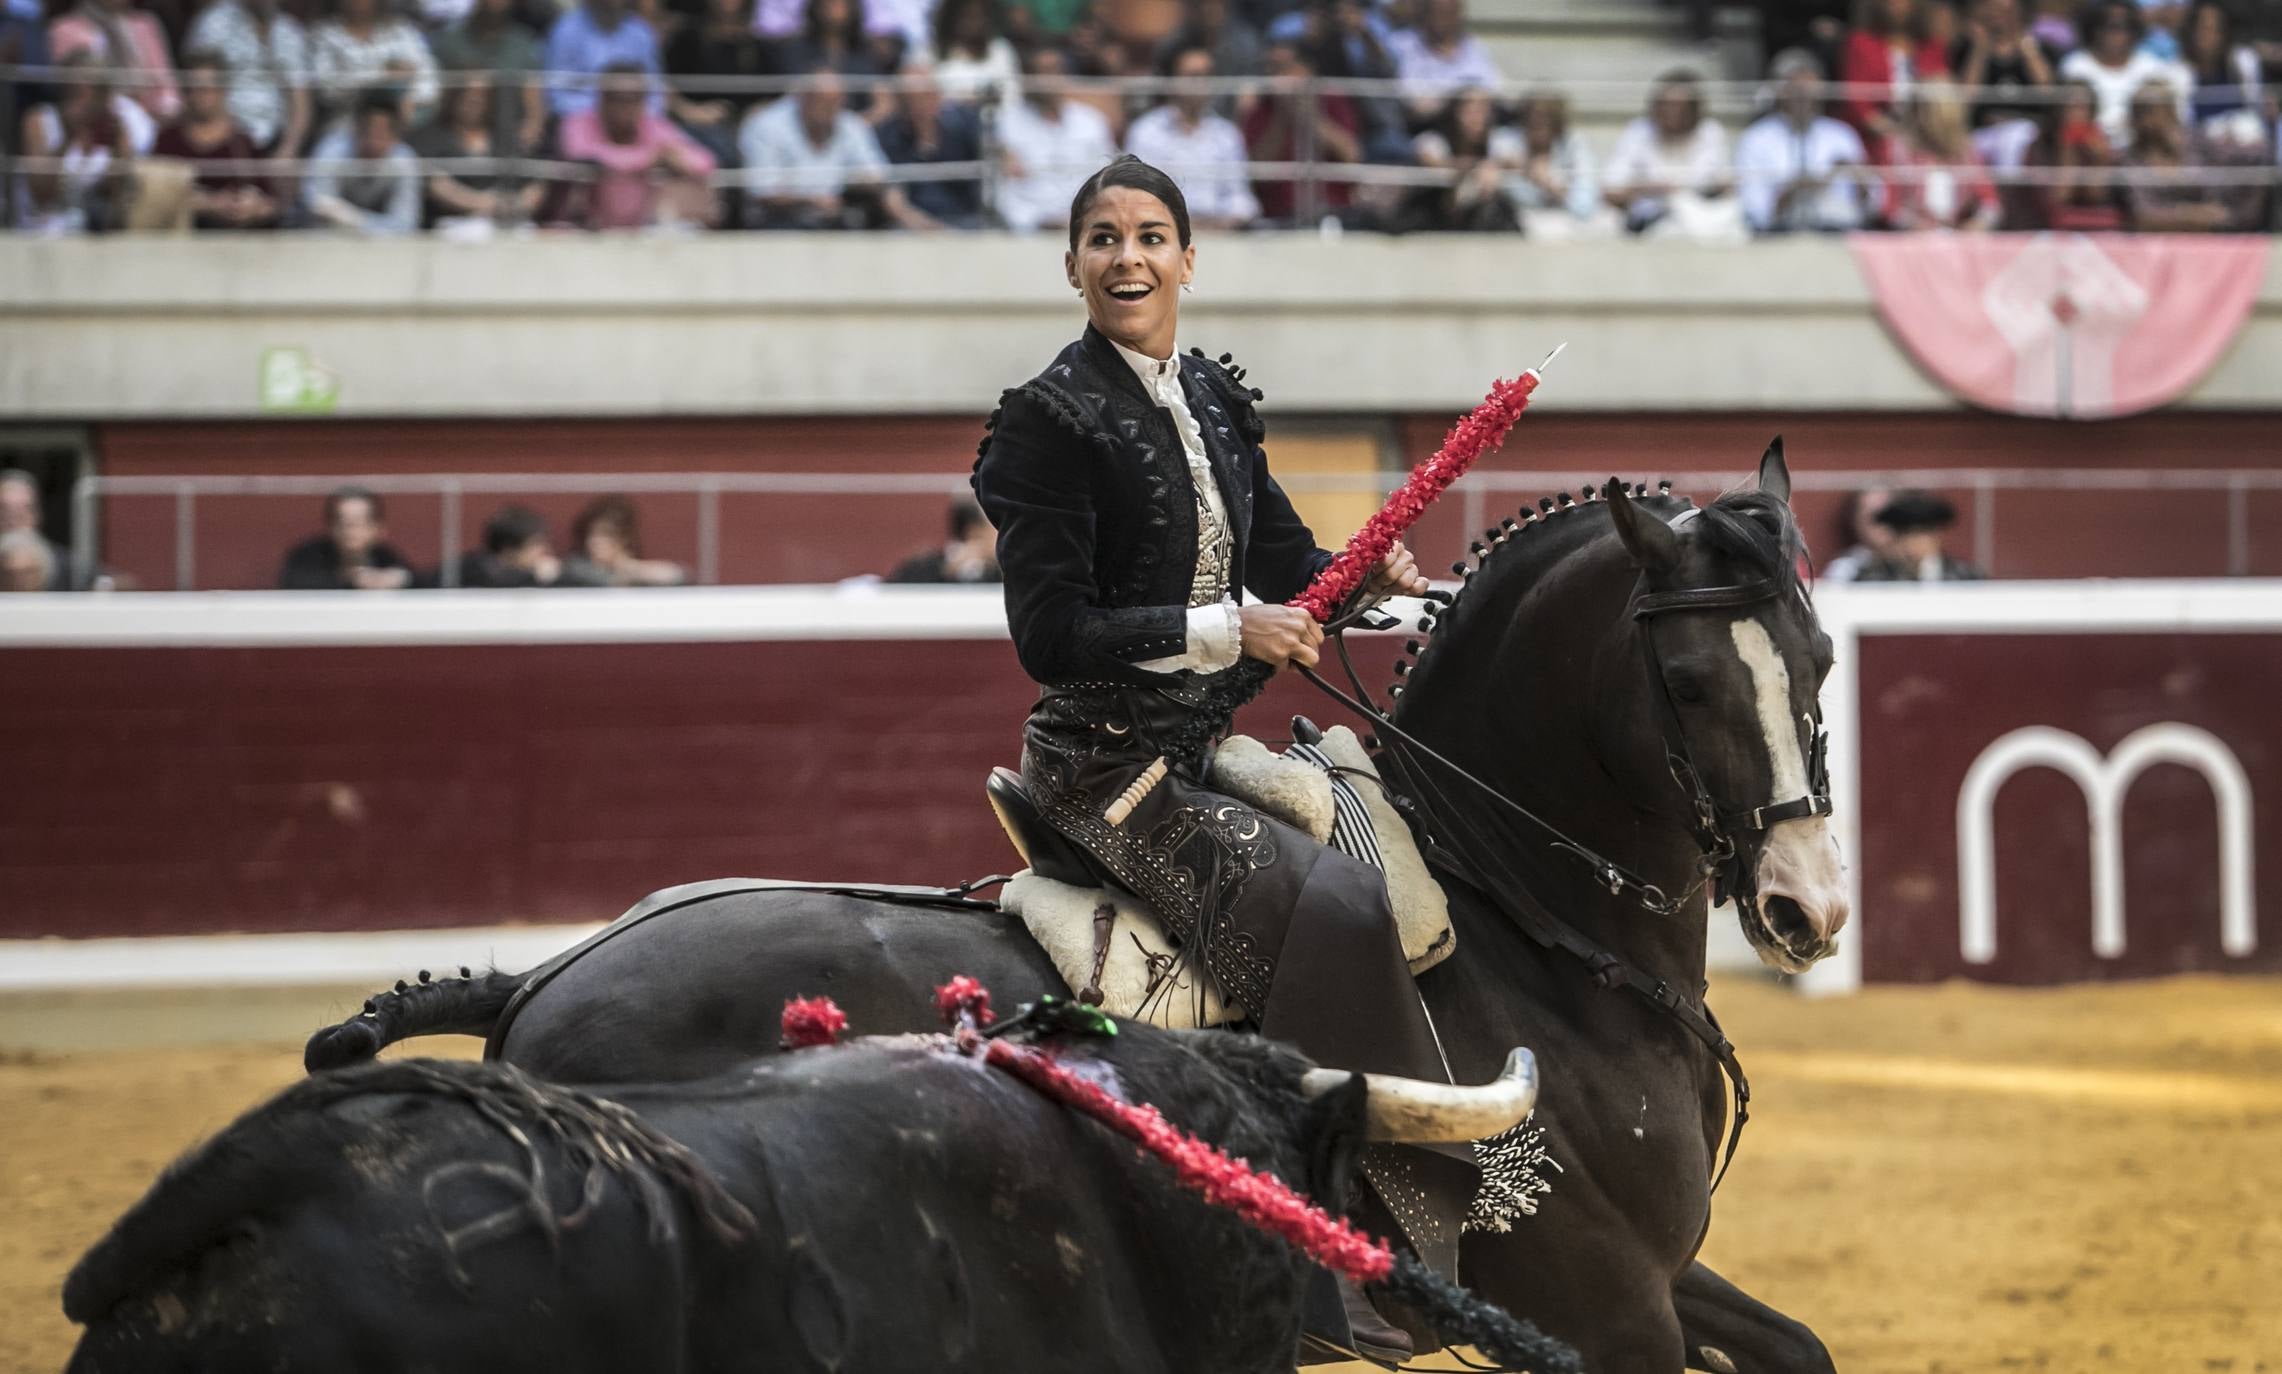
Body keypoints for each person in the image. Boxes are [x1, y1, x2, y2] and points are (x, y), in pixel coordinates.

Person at [969, 154, 1444, 1368]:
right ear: (1069, 263)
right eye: (1100, 238)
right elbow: (1048, 634)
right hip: (1098, 763)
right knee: (1329, 908)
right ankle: (1320, 1258)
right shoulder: (1045, 420)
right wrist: (1230, 628)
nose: (1125, 257)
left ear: (1189, 256)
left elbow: (1286, 561)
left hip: (1194, 742)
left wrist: (1363, 571)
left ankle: (1408, 1212)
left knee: (1374, 849)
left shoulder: (1218, 401)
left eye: (1148, 235)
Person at [738, 61, 935, 227]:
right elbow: (762, 191)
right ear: (802, 98)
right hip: (778, 221)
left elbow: (877, 173)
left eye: (836, 102)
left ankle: (920, 227)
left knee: (885, 199)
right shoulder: (766, 126)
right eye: (823, 102)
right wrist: (809, 200)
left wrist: (864, 182)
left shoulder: (849, 125)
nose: (830, 111)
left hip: (836, 217)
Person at [558, 61, 719, 228]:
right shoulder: (578, 122)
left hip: (643, 226)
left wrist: (675, 159)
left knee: (687, 179)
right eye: (616, 98)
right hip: (585, 227)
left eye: (634, 98)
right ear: (602, 97)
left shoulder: (652, 124)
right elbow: (581, 155)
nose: (625, 106)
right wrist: (647, 158)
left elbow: (705, 162)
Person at [1123, 44, 1260, 230]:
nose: (1201, 83)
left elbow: (1240, 196)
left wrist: (1224, 222)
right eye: (1193, 76)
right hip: (1162, 232)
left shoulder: (1227, 134)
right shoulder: (1146, 131)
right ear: (1171, 81)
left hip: (1221, 233)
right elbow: (1139, 195)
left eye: (1207, 75)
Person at [1735, 47, 1871, 233]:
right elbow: (1754, 210)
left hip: (1839, 236)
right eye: (1794, 87)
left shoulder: (1842, 134)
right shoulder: (1756, 138)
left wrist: (1858, 178)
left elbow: (1871, 206)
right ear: (1779, 90)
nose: (1803, 95)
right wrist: (1792, 192)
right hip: (1777, 238)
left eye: (1809, 86)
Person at [12, 51, 149, 233]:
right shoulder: (39, 120)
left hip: (94, 235)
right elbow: (41, 196)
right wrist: (67, 138)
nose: (86, 98)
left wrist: (118, 148)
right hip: (42, 231)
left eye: (96, 88)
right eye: (77, 89)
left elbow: (120, 201)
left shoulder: (116, 126)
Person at [1602, 67, 1741, 239]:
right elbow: (1611, 190)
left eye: (1679, 107)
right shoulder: (1638, 132)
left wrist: (1698, 192)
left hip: (1702, 218)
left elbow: (1727, 185)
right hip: (1650, 220)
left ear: (1695, 109)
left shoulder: (1711, 133)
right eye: (1664, 106)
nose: (1670, 113)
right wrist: (1649, 189)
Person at [152, 48, 282, 229]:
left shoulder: (243, 142)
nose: (201, 94)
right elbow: (153, 197)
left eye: (208, 87)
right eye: (193, 88)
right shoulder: (168, 139)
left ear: (224, 89)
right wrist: (208, 204)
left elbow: (271, 204)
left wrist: (252, 207)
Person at [993, 44, 1117, 232]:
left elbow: (1106, 180)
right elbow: (1004, 193)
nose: (1048, 79)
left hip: (1086, 228)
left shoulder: (1091, 122)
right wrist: (1038, 222)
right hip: (1028, 232)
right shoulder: (1005, 124)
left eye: (1054, 70)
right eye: (1040, 72)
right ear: (1027, 78)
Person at [1239, 40, 1361, 223]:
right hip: (1278, 215)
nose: (1279, 77)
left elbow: (1352, 156)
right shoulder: (1260, 109)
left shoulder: (1333, 101)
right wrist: (1282, 117)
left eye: (1286, 68)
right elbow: (1256, 173)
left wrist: (1308, 116)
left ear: (1307, 70)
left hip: (1335, 212)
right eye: (1273, 69)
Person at [413, 70, 544, 228]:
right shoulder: (433, 137)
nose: (475, 100)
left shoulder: (504, 137)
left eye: (482, 95)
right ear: (455, 96)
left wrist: (519, 204)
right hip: (453, 221)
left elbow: (534, 184)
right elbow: (435, 185)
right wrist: (484, 204)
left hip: (507, 218)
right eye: (468, 93)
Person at [183, 0, 312, 156]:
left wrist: (288, 150)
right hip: (224, 137)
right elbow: (197, 82)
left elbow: (301, 102)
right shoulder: (214, 22)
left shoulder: (289, 31)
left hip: (274, 139)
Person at [2059, 1, 2189, 148]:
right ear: (2094, 29)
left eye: (2124, 27)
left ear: (2134, 31)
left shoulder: (2151, 67)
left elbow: (2172, 116)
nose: (2116, 34)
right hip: (2087, 147)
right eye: (2109, 26)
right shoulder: (2075, 66)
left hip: (2140, 147)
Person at [874, 58, 985, 227]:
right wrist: (923, 225)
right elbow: (890, 194)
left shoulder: (963, 125)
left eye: (926, 95)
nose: (919, 105)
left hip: (964, 220)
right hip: (912, 225)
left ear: (938, 95)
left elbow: (996, 155)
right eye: (910, 98)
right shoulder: (888, 135)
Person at [429, 0, 547, 156]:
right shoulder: (451, 42)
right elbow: (437, 96)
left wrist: (532, 125)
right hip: (454, 135)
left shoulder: (522, 43)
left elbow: (534, 99)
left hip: (508, 135)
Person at [1880, 76, 2000, 227]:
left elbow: (1990, 204)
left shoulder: (1966, 152)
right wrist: (1915, 226)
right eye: (1921, 111)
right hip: (1911, 240)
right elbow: (1889, 208)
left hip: (1958, 238)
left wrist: (1977, 224)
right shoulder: (1898, 150)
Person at [1839, 0, 1950, 161]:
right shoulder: (1860, 43)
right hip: (1873, 141)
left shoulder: (1933, 47)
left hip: (1926, 140)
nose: (1897, 4)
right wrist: (1897, 137)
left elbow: (1944, 99)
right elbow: (1858, 104)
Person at [309, 0, 440, 137]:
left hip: (399, 126)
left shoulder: (402, 30)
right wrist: (383, 77)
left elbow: (429, 84)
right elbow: (327, 89)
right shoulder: (322, 33)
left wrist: (407, 100)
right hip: (345, 126)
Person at [1406, 87, 1519, 231]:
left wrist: (1492, 167)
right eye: (1470, 111)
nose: (1476, 118)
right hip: (1436, 215)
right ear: (1455, 113)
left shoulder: (1499, 139)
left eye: (1482, 111)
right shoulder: (1434, 139)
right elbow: (1431, 161)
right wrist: (1476, 168)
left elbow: (1514, 161)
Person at [305, 93, 420, 233]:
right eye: (368, 133)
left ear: (396, 136)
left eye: (382, 136)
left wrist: (353, 218)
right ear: (355, 130)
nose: (373, 143)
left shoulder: (405, 162)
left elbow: (405, 225)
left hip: (376, 242)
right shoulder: (331, 153)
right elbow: (318, 209)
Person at [46, 0, 178, 121]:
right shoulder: (63, 28)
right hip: (97, 116)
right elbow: (74, 92)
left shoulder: (146, 24)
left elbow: (165, 82)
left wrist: (164, 110)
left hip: (152, 117)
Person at [1506, 88, 1609, 238]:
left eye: (1545, 119)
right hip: (1518, 226)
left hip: (1566, 225)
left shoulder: (1575, 146)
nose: (1537, 124)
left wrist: (1548, 184)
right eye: (1531, 119)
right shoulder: (1508, 144)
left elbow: (1584, 207)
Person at [1386, 0, 1500, 127]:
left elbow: (1492, 89)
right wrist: (1452, 102)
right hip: (1424, 128)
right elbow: (1410, 101)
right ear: (1425, 14)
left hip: (1472, 126)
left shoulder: (1474, 47)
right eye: (1438, 13)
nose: (1442, 21)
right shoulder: (1402, 44)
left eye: (1449, 14)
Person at [277, 486, 415, 589]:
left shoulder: (386, 556)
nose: (350, 529)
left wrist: (400, 579)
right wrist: (351, 579)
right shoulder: (308, 556)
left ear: (377, 529)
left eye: (359, 521)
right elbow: (294, 581)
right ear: (331, 527)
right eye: (343, 521)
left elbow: (418, 580)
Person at [544, 0, 663, 119]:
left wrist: (637, 113)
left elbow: (655, 90)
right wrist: (604, 113)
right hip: (580, 119)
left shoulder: (641, 32)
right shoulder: (566, 30)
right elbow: (557, 95)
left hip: (637, 119)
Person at [1852, 489, 1986, 581]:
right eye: (1906, 535)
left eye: (1921, 534)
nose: (1913, 544)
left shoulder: (1965, 576)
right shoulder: (1872, 577)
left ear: (1936, 537)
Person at [560, 495, 687, 585]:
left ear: (623, 539)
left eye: (605, 534)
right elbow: (609, 581)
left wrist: (626, 565)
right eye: (591, 535)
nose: (593, 542)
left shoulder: (632, 569)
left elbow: (678, 575)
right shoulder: (576, 567)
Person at [885, 498, 999, 583]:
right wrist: (946, 571)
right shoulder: (922, 567)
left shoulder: (1003, 572)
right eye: (999, 526)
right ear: (975, 532)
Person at [927, 0, 1018, 103]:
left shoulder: (1000, 50)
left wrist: (979, 98)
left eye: (976, 15)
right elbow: (924, 96)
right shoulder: (930, 52)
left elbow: (1011, 94)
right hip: (947, 116)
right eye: (964, 15)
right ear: (951, 16)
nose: (970, 22)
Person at [452, 505, 564, 586]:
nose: (543, 550)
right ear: (509, 550)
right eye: (535, 545)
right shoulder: (471, 571)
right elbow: (496, 583)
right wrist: (535, 576)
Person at [0, 470, 63, 591]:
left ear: (38, 515)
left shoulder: (69, 567)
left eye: (23, 510)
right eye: (4, 510)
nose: (13, 519)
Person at [1819, 485, 1893, 582]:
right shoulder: (1844, 569)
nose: (1881, 524)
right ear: (1856, 521)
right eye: (1871, 515)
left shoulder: (1915, 565)